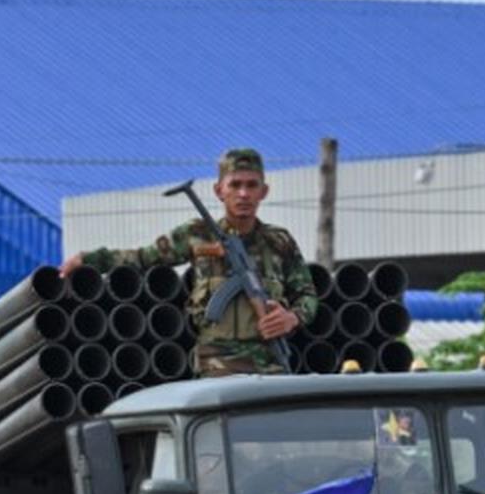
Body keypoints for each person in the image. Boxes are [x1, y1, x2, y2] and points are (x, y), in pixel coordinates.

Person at [67, 148, 320, 377]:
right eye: (235, 185)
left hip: (270, 362)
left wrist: (292, 318)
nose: (243, 194)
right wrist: (90, 259)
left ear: (263, 191)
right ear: (219, 190)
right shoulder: (196, 234)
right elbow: (143, 257)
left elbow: (307, 295)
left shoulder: (279, 241)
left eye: (252, 185)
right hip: (217, 364)